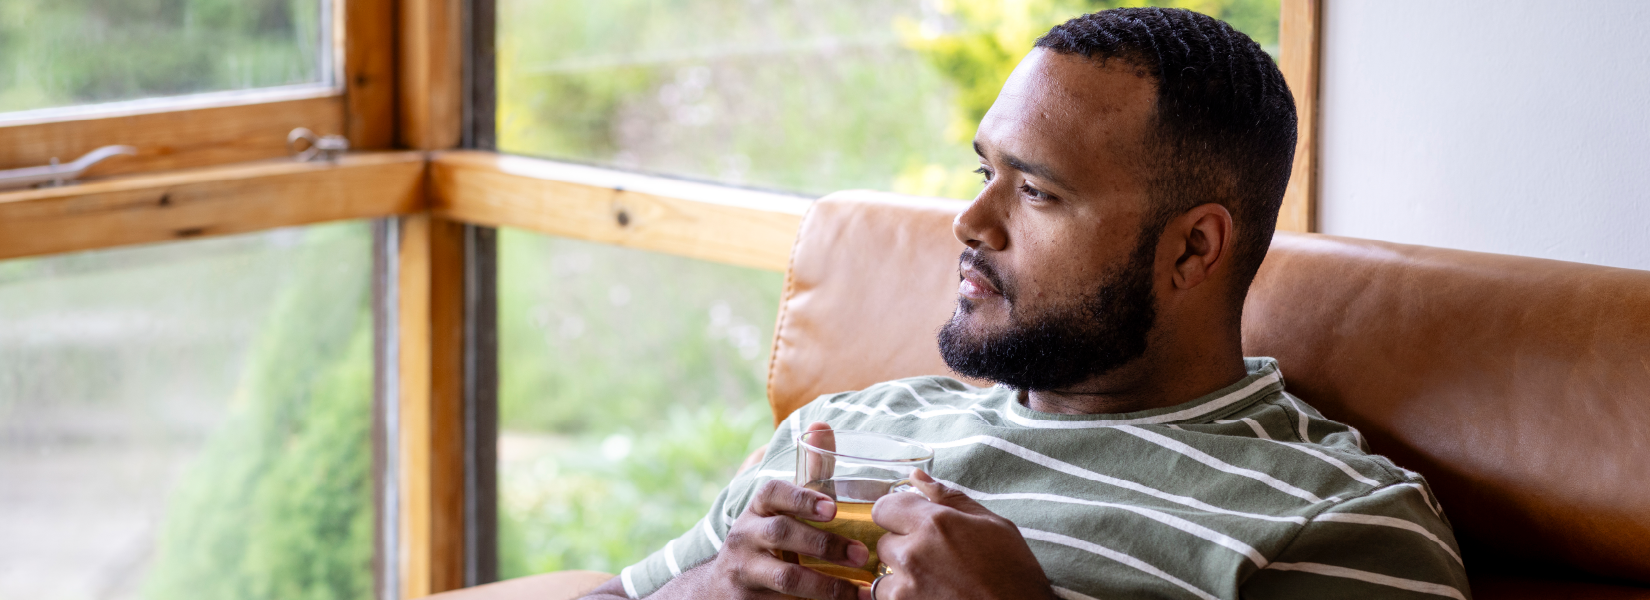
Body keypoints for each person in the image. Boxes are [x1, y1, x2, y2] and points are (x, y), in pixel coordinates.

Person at [582, 7, 1468, 600]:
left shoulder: (1334, 522)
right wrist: (701, 589)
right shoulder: (848, 427)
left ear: (1193, 248)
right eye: (983, 172)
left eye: (1036, 193)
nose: (970, 221)